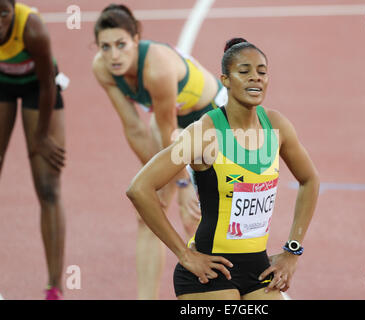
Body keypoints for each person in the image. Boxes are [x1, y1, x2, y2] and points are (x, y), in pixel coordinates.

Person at [126, 38, 320, 300]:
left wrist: (292, 251)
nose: (255, 78)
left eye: (262, 72)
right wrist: (185, 254)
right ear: (225, 80)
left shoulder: (277, 127)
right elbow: (139, 188)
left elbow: (309, 179)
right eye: (244, 72)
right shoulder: (204, 133)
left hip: (258, 271)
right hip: (209, 274)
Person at [92, 4, 227, 299]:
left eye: (121, 45)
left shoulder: (157, 67)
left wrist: (182, 185)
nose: (114, 55)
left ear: (136, 39)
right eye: (105, 47)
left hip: (211, 119)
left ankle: (222, 292)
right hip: (172, 126)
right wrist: (164, 183)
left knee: (198, 214)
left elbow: (168, 134)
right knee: (149, 212)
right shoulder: (102, 68)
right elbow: (134, 128)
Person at [0, 0, 66, 299]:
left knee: (48, 187)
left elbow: (48, 84)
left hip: (38, 89)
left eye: (3, 12)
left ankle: (54, 286)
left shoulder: (33, 29)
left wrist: (39, 137)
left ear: (14, 9)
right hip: (1, 85)